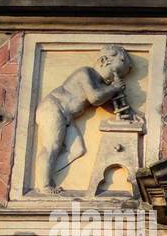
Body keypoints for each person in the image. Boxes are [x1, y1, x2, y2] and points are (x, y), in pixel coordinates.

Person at [33, 44, 134, 195]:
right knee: (51, 146)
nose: (115, 78)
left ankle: (47, 174)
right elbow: (94, 98)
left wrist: (130, 113)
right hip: (54, 108)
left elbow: (104, 103)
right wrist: (114, 88)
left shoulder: (101, 84)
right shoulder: (85, 73)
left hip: (68, 117)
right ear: (104, 61)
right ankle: (44, 186)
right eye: (115, 73)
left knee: (77, 150)